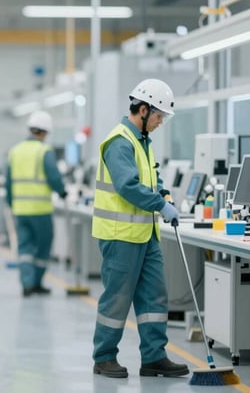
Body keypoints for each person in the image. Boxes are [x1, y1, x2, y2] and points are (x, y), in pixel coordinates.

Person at [91, 78, 189, 379]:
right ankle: (104, 356)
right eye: (159, 116)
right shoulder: (120, 141)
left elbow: (150, 179)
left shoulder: (142, 142)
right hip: (121, 237)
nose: (160, 122)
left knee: (154, 297)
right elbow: (127, 186)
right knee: (117, 298)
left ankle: (154, 357)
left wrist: (163, 193)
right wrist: (161, 206)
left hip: (146, 235)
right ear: (143, 110)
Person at [5, 110, 67, 297]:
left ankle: (26, 283)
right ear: (45, 132)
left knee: (24, 247)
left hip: (20, 209)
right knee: (42, 246)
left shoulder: (14, 151)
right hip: (40, 210)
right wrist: (62, 191)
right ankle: (37, 282)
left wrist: (11, 203)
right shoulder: (44, 151)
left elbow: (8, 182)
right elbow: (53, 176)